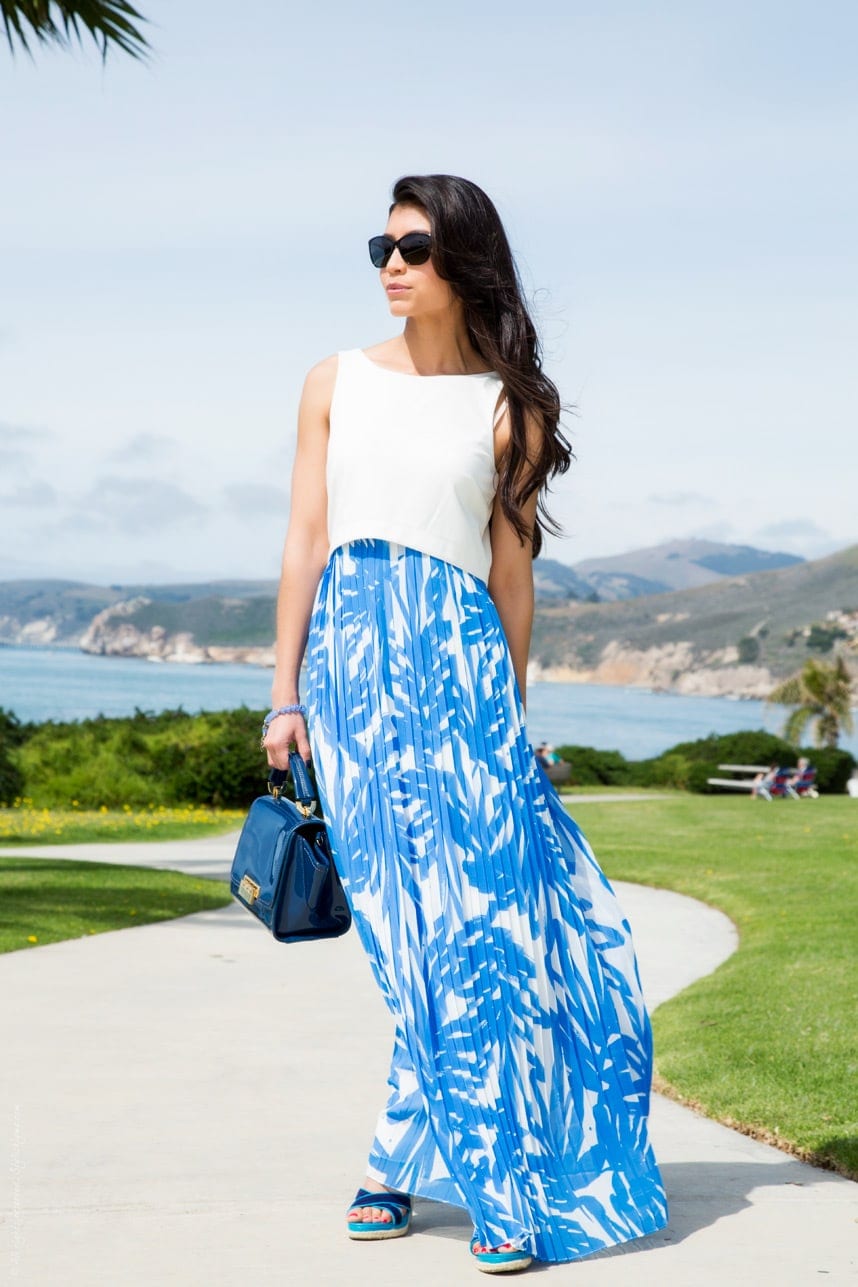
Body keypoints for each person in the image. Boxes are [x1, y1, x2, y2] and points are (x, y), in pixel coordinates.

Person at [263, 174, 667, 1273]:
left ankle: (459, 1179)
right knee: (407, 936)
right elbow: (306, 538)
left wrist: (512, 718)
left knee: (475, 933)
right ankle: (411, 1159)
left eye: (415, 246)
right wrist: (285, 692)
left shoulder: (509, 406)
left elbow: (512, 579)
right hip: (350, 677)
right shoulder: (332, 382)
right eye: (381, 246)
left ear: (462, 261)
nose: (391, 264)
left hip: (462, 681)